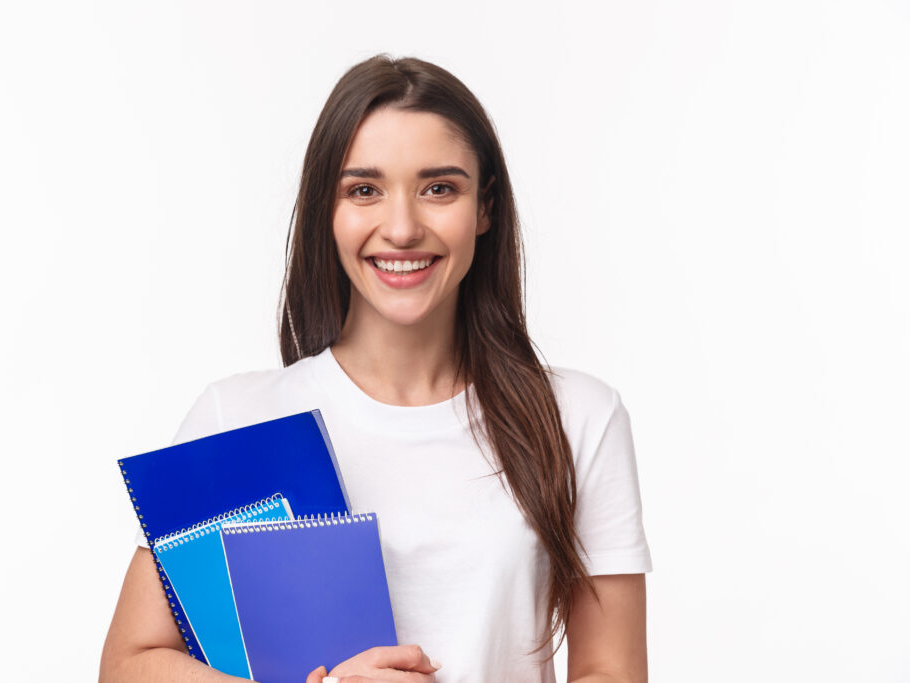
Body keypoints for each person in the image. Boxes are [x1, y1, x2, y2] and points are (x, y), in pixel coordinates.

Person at [99, 54, 652, 683]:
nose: (401, 227)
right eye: (364, 190)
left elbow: (612, 670)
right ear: (326, 211)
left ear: (485, 209)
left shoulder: (577, 417)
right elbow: (127, 666)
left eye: (439, 188)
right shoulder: (239, 417)